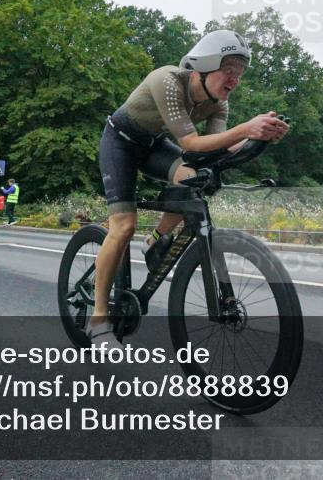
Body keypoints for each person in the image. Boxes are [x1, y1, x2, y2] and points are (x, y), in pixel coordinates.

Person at [90, 29, 289, 350]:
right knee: (123, 225)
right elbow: (191, 143)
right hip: (120, 143)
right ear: (205, 65)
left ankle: (156, 240)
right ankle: (98, 320)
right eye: (229, 71)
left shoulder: (218, 105)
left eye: (239, 74)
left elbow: (214, 151)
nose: (234, 80)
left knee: (196, 176)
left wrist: (259, 138)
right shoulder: (167, 80)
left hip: (154, 145)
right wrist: (246, 128)